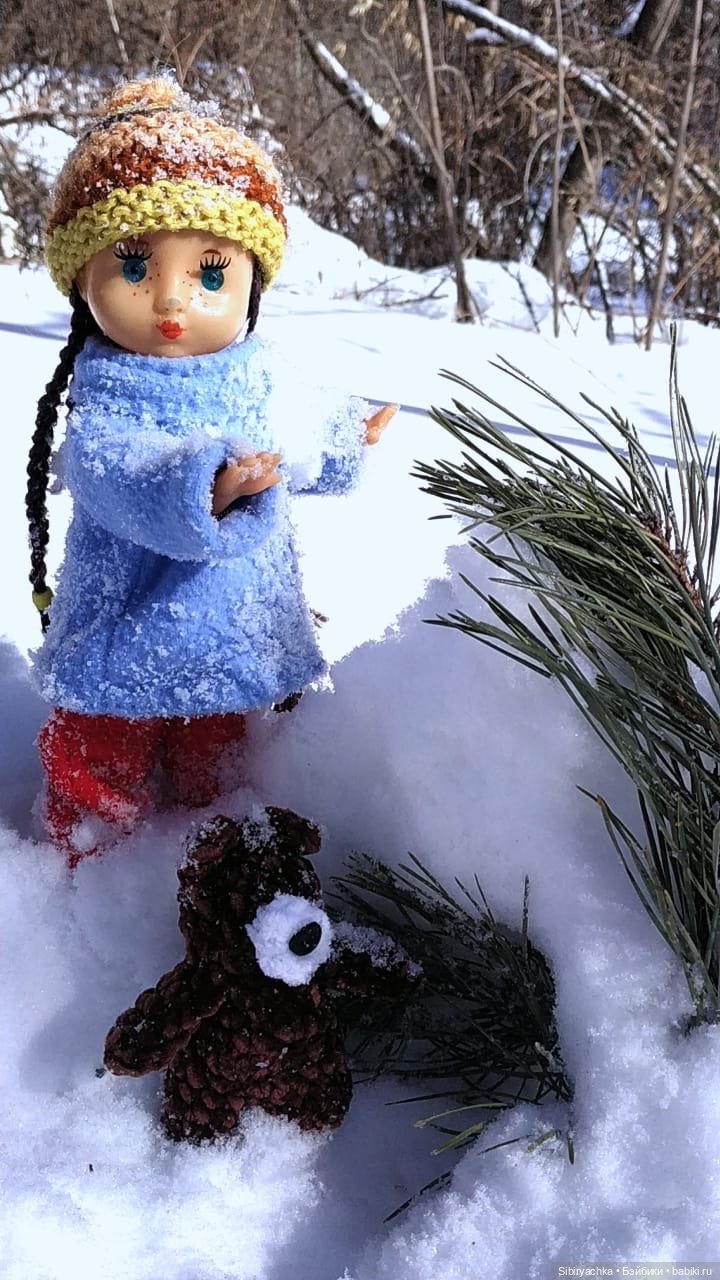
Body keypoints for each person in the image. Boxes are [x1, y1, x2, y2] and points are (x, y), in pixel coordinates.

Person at [26, 77, 395, 864]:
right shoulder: (104, 403)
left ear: (251, 280)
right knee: (99, 759)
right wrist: (204, 486)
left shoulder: (257, 377)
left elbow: (291, 435)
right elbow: (116, 477)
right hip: (123, 632)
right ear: (82, 279)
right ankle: (91, 869)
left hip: (231, 635)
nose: (173, 300)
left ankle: (219, 852)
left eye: (212, 274)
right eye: (134, 267)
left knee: (220, 762)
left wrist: (341, 440)